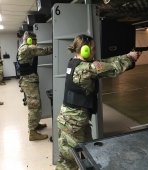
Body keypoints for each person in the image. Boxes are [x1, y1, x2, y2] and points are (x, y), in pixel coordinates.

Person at [55, 34, 142, 169]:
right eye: (93, 49)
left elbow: (105, 62)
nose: (94, 51)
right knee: (71, 160)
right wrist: (130, 59)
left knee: (86, 153)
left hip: (74, 120)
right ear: (85, 50)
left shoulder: (75, 63)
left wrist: (127, 56)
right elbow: (113, 68)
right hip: (73, 123)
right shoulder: (87, 68)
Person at [17, 31, 53, 141]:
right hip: (29, 82)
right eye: (35, 40)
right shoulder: (27, 48)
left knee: (36, 105)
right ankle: (32, 132)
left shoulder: (24, 48)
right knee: (34, 107)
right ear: (29, 40)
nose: (36, 43)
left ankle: (35, 125)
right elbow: (44, 51)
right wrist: (56, 46)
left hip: (29, 81)